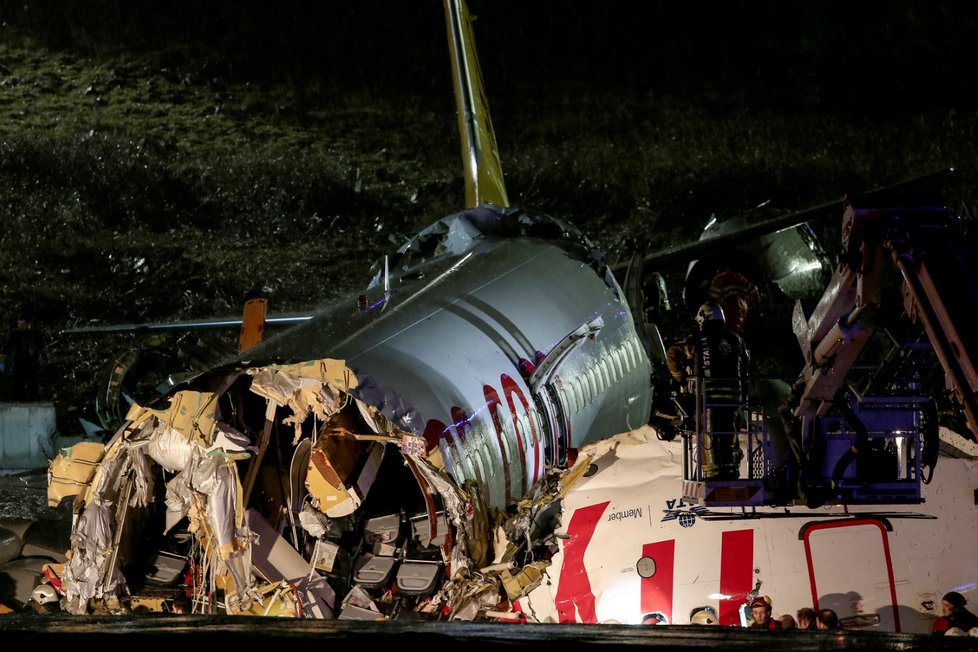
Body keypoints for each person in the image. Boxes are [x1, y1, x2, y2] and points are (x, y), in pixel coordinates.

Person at [692, 301, 750, 479]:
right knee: (729, 436)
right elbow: (746, 366)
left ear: (704, 318)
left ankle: (713, 472)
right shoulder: (737, 340)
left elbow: (681, 359)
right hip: (734, 399)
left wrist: (683, 381)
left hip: (710, 398)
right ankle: (731, 470)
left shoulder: (700, 340)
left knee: (711, 437)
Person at [1, 313, 46, 401]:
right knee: (17, 384)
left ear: (28, 324)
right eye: (19, 324)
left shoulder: (36, 333)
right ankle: (20, 401)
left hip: (32, 362)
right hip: (19, 362)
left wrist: (36, 351)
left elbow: (41, 347)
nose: (20, 326)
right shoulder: (15, 334)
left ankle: (32, 401)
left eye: (23, 324)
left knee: (33, 384)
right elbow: (6, 347)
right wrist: (2, 359)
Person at [707, 267, 760, 335]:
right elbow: (755, 295)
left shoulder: (718, 280)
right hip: (741, 316)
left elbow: (712, 301)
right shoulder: (741, 278)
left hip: (728, 318)